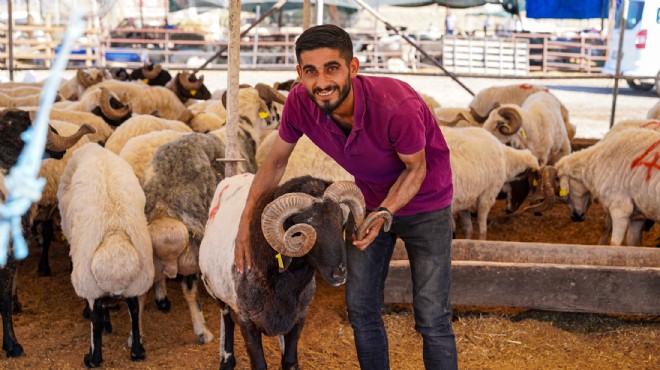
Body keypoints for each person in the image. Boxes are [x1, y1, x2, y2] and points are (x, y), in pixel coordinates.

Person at [234, 24, 457, 370]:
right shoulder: (299, 103)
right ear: (299, 73)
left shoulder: (397, 106)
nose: (321, 83)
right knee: (361, 308)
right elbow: (275, 162)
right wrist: (245, 221)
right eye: (311, 71)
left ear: (352, 68)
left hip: (426, 204)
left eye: (332, 68)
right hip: (366, 203)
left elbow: (416, 170)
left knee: (431, 314)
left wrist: (384, 212)